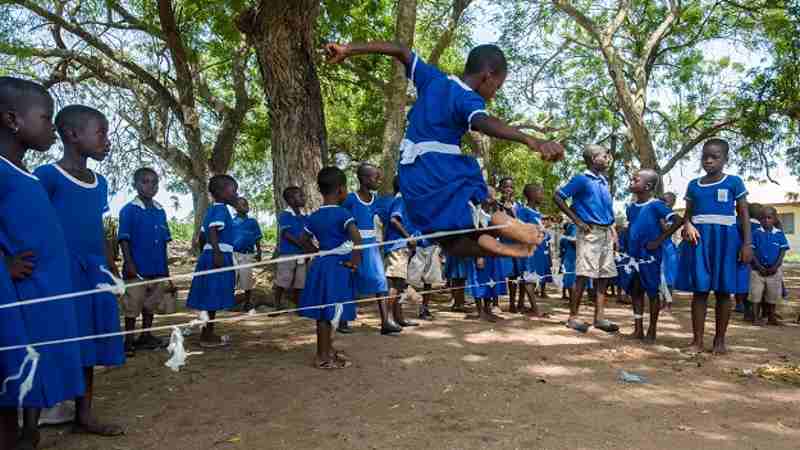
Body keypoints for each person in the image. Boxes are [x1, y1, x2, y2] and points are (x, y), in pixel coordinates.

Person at [324, 41, 563, 258]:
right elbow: (483, 122)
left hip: (411, 174)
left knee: (448, 240)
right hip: (439, 166)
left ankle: (506, 249)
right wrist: (531, 140)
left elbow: (401, 51)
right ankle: (510, 226)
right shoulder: (468, 98)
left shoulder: (433, 79)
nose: (494, 94)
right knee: (478, 209)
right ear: (487, 77)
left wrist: (348, 49)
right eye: (497, 87)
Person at [0, 77, 85, 449]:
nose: (52, 127)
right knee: (11, 371)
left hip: (44, 290)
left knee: (33, 365)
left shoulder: (26, 174)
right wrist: (4, 263)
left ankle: (28, 433)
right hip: (18, 292)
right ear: (12, 119)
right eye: (46, 118)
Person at [34, 104, 125, 437]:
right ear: (72, 135)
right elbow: (33, 224)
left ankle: (83, 414)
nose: (107, 140)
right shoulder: (47, 176)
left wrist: (110, 265)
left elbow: (97, 227)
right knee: (57, 337)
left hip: (93, 271)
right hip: (60, 272)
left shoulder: (99, 182)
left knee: (88, 341)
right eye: (101, 132)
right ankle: (42, 412)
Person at [676, 138, 752, 354]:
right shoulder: (693, 185)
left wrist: (747, 244)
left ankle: (719, 341)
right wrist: (688, 225)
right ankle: (697, 341)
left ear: (725, 159)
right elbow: (687, 215)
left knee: (723, 291)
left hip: (726, 242)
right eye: (705, 157)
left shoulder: (734, 182)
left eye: (714, 157)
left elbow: (744, 213)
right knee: (700, 291)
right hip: (699, 242)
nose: (708, 161)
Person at [298, 167, 362, 369]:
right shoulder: (344, 214)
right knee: (332, 311)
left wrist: (319, 252)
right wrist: (354, 262)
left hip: (320, 266)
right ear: (341, 190)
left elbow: (303, 240)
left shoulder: (314, 216)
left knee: (323, 312)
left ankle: (327, 350)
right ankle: (322, 356)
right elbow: (358, 240)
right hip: (337, 268)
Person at [553, 144, 619, 333]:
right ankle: (573, 317)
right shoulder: (582, 179)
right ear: (592, 159)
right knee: (583, 274)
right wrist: (577, 221)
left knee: (604, 275)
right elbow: (558, 196)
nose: (607, 158)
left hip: (605, 232)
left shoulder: (603, 181)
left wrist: (612, 231)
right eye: (604, 156)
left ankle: (599, 318)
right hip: (590, 232)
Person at [620, 170, 683, 342]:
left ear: (647, 186)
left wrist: (659, 240)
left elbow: (678, 220)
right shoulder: (631, 208)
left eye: (636, 179)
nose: (631, 181)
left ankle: (652, 330)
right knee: (635, 291)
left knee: (652, 292)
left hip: (650, 256)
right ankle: (638, 329)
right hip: (633, 256)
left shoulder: (656, 205)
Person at [118, 167, 175, 357]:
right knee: (132, 305)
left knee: (150, 304)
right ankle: (128, 341)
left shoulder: (160, 211)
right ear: (135, 185)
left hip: (157, 267)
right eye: (145, 181)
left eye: (154, 182)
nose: (150, 186)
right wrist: (129, 262)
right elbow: (124, 239)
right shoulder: (129, 211)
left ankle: (146, 335)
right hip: (137, 268)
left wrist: (166, 270)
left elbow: (164, 242)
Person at [341, 163, 400, 335]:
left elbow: (387, 218)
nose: (379, 180)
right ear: (364, 179)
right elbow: (340, 220)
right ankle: (343, 320)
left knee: (381, 282)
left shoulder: (378, 201)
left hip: (372, 247)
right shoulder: (350, 200)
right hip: (355, 246)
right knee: (350, 282)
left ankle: (385, 322)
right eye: (376, 177)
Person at [186, 175, 239, 347]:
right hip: (218, 255)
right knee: (213, 296)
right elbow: (212, 231)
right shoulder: (220, 209)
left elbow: (202, 236)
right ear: (220, 192)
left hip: (211, 255)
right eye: (233, 190)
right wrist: (216, 253)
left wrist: (206, 253)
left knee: (211, 296)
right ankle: (207, 336)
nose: (236, 194)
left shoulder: (212, 210)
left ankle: (207, 332)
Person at [383, 176, 419, 327]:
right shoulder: (400, 200)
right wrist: (408, 238)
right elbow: (394, 220)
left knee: (400, 284)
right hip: (397, 247)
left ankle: (399, 318)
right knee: (395, 283)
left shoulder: (403, 200)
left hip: (402, 248)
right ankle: (388, 319)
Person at [274, 187, 313, 310]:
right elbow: (287, 235)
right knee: (282, 280)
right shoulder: (285, 215)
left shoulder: (305, 217)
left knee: (300, 281)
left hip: (302, 255)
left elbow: (308, 236)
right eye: (300, 196)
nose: (303, 197)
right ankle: (277, 305)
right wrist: (305, 247)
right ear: (290, 200)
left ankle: (298, 305)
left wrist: (310, 249)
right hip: (288, 254)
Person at [750, 206, 789, 326]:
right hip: (757, 271)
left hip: (774, 271)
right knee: (756, 295)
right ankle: (756, 317)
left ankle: (771, 316)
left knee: (772, 295)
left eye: (769, 217)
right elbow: (752, 251)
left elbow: (782, 252)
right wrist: (758, 266)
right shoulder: (755, 233)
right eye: (763, 218)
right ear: (759, 220)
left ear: (775, 219)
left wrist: (776, 266)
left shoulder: (779, 234)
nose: (766, 220)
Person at [514, 183, 548, 316]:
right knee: (529, 277)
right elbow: (521, 230)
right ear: (532, 195)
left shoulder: (537, 213)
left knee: (529, 277)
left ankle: (521, 305)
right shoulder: (523, 211)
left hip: (537, 250)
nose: (542, 195)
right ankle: (535, 309)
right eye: (540, 192)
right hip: (528, 250)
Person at [232, 197, 263, 311]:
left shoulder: (252, 222)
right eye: (242, 204)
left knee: (247, 278)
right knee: (232, 277)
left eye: (246, 204)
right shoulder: (232, 222)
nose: (246, 206)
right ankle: (228, 301)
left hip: (248, 254)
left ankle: (247, 301)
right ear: (236, 207)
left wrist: (259, 251)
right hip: (233, 253)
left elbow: (257, 238)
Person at [740, 202, 764, 320]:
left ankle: (746, 310)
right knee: (758, 288)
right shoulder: (762, 228)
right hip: (758, 262)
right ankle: (760, 313)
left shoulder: (741, 223)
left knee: (744, 286)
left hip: (743, 259)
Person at [659, 192, 679, 311]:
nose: (664, 203)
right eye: (662, 200)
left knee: (668, 276)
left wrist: (660, 219)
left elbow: (666, 229)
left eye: (666, 201)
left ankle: (668, 302)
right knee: (659, 276)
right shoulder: (660, 215)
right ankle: (662, 301)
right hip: (659, 248)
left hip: (669, 249)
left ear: (672, 203)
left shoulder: (673, 216)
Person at [559, 221, 577, 301]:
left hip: (566, 257)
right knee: (572, 279)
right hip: (572, 257)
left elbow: (561, 249)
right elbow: (574, 242)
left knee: (566, 277)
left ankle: (568, 297)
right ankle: (572, 301)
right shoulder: (574, 227)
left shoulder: (563, 237)